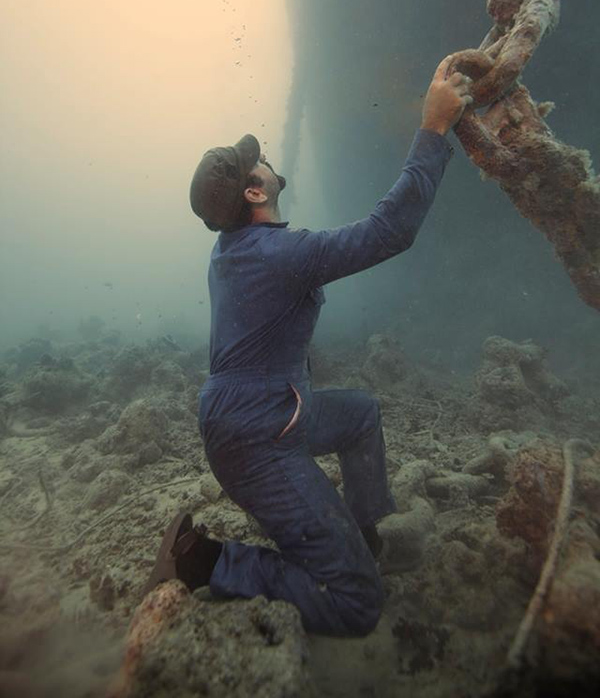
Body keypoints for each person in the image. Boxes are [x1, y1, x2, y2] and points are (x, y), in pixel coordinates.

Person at [143, 55, 472, 636]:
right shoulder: (279, 254)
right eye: (257, 162)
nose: (266, 158)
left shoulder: (236, 250)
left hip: (267, 413)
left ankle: (360, 537)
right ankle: (203, 560)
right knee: (355, 603)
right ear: (253, 189)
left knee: (361, 415)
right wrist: (433, 129)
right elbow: (389, 230)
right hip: (257, 439)